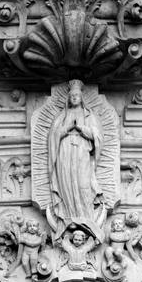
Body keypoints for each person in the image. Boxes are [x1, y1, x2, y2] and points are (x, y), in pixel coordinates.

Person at [47, 80, 104, 240]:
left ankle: (86, 216)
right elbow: (54, 135)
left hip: (82, 152)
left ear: (81, 97)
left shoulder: (88, 115)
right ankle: (68, 215)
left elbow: (98, 136)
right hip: (65, 153)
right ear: (68, 98)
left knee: (82, 184)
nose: (74, 98)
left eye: (77, 95)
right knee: (66, 183)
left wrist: (81, 129)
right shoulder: (62, 116)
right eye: (72, 95)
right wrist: (65, 130)